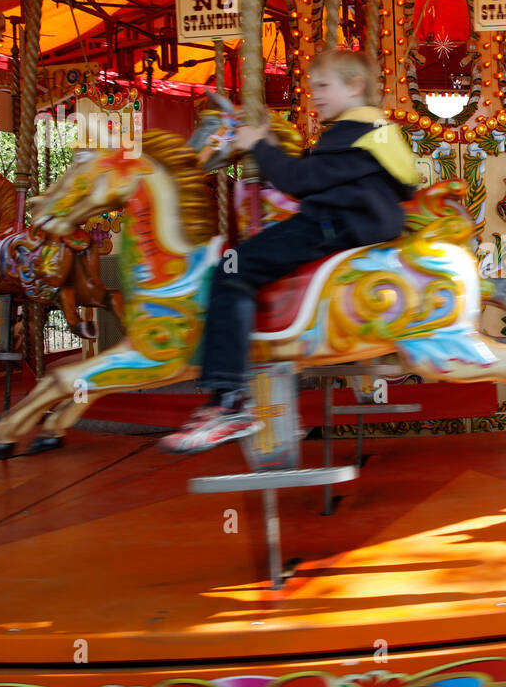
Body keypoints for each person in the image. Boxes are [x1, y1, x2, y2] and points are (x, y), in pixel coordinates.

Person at [161, 49, 418, 454]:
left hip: (331, 226)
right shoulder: (378, 132)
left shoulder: (353, 132)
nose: (313, 94)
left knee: (231, 271)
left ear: (353, 87)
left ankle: (228, 402)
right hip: (356, 225)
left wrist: (260, 145)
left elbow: (298, 180)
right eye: (312, 85)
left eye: (322, 85)